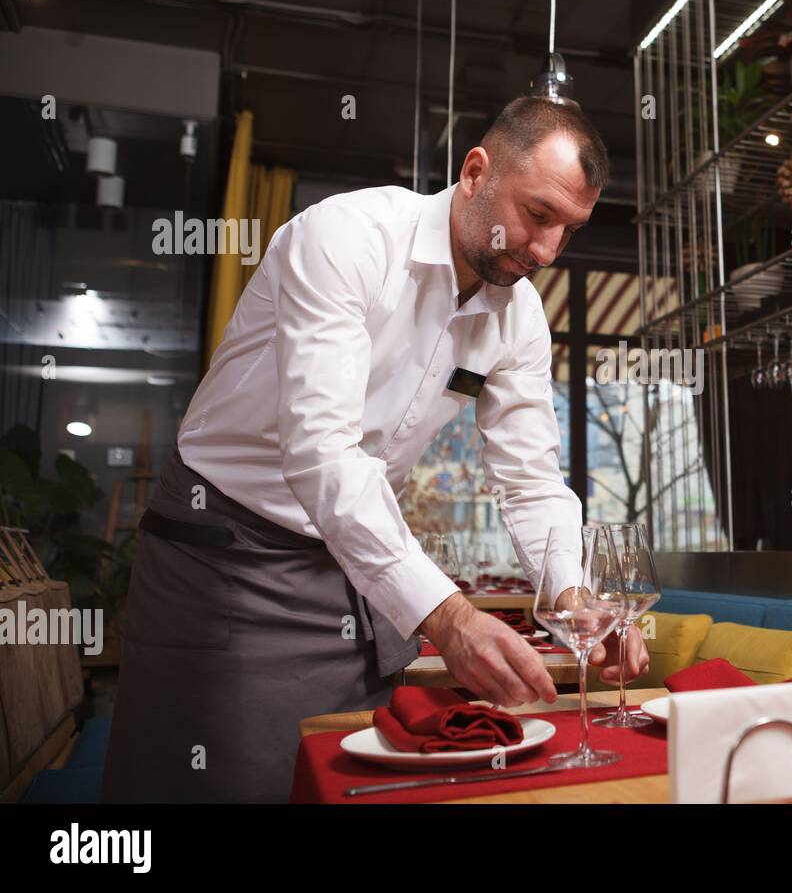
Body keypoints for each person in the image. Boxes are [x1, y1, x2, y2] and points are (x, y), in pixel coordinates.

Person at [102, 97, 649, 803]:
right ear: (475, 171)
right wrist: (449, 617)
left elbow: (530, 481)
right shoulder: (346, 238)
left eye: (568, 231)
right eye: (538, 214)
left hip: (346, 567)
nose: (545, 251)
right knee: (215, 780)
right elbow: (323, 453)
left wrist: (573, 599)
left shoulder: (519, 320)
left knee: (350, 777)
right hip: (225, 548)